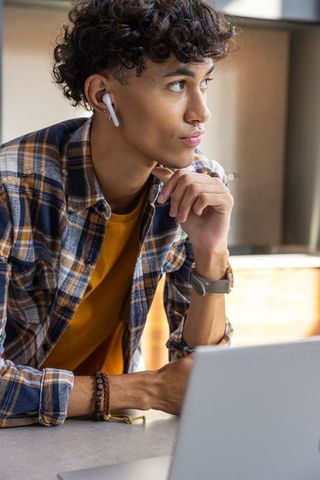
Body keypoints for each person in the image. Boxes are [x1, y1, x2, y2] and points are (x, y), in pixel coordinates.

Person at [0, 0, 235, 427]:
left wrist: (212, 252)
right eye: (178, 85)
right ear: (102, 95)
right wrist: (144, 389)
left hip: (105, 426)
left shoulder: (195, 184)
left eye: (205, 83)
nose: (202, 112)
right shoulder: (11, 188)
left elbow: (198, 378)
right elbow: (166, 389)